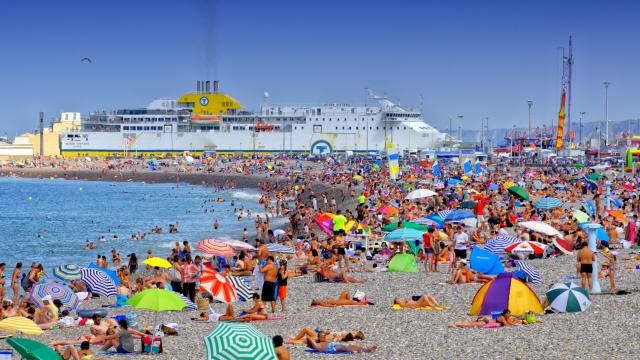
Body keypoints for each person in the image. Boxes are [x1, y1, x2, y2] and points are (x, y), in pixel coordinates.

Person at [306, 331, 377, 354]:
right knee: (344, 346)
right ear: (318, 337)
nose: (324, 337)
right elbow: (308, 337)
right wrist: (315, 339)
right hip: (331, 347)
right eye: (323, 336)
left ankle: (365, 349)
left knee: (348, 345)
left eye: (325, 335)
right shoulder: (316, 345)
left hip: (333, 344)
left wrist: (326, 333)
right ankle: (366, 350)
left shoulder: (325, 340)